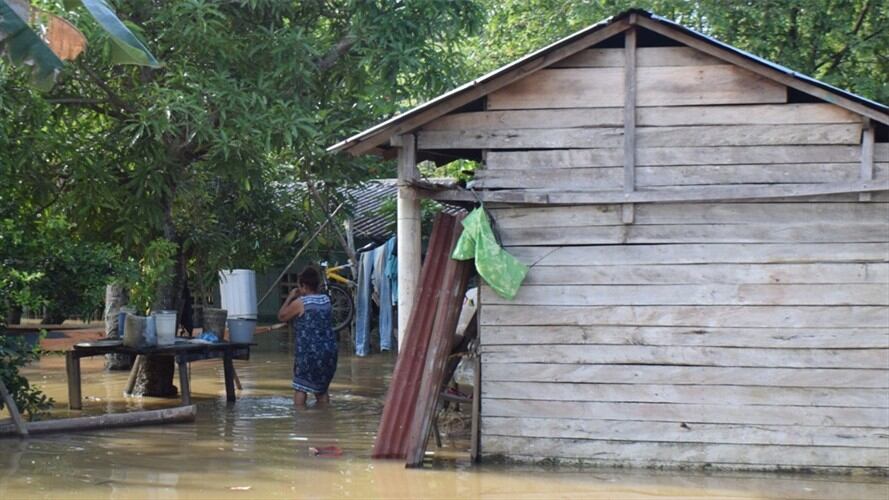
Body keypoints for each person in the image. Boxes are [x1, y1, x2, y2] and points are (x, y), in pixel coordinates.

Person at [277, 267, 338, 408]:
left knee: (301, 387)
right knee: (321, 390)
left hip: (309, 353)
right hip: (329, 352)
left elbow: (281, 316)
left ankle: (301, 422)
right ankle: (324, 419)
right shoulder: (326, 300)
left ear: (303, 285)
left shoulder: (301, 302)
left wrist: (291, 296)